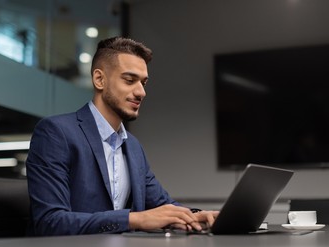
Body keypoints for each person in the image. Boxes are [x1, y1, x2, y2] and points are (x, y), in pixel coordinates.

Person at [26, 37, 219, 236]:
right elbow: (50, 222)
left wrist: (199, 216)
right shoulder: (56, 133)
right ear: (99, 80)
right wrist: (135, 218)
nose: (141, 92)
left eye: (143, 83)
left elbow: (163, 206)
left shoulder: (133, 146)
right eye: (129, 80)